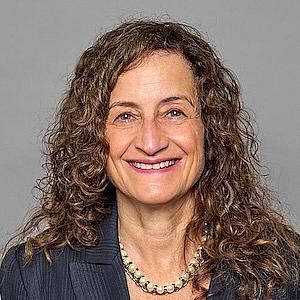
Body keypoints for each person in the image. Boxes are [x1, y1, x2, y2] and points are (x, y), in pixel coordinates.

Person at [0, 19, 299, 300]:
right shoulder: (34, 276)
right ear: (93, 136)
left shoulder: (287, 269)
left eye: (173, 112)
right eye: (125, 116)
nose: (151, 142)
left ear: (209, 127)